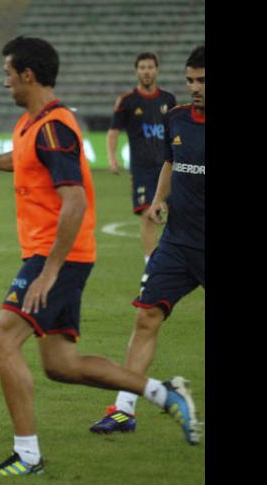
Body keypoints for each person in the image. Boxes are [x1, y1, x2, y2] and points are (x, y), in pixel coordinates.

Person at [0, 36, 201, 477]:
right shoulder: (31, 125)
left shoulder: (55, 126)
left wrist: (50, 270)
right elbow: (24, 161)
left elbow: (76, 201)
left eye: (8, 73)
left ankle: (27, 455)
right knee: (60, 366)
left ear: (28, 75)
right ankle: (163, 393)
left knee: (2, 342)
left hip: (55, 256)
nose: (4, 82)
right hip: (50, 256)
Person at [90, 45, 205, 436]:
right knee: (145, 318)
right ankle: (124, 410)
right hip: (176, 244)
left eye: (202, 81)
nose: (194, 88)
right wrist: (158, 200)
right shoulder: (178, 118)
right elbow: (171, 164)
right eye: (190, 80)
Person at [106, 53, 177, 263]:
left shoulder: (168, 99)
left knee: (178, 213)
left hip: (167, 165)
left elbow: (177, 131)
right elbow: (113, 131)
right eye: (142, 67)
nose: (146, 71)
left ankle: (176, 258)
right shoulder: (127, 101)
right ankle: (150, 265)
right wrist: (112, 157)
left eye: (150, 67)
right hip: (142, 169)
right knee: (148, 215)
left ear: (157, 70)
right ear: (136, 71)